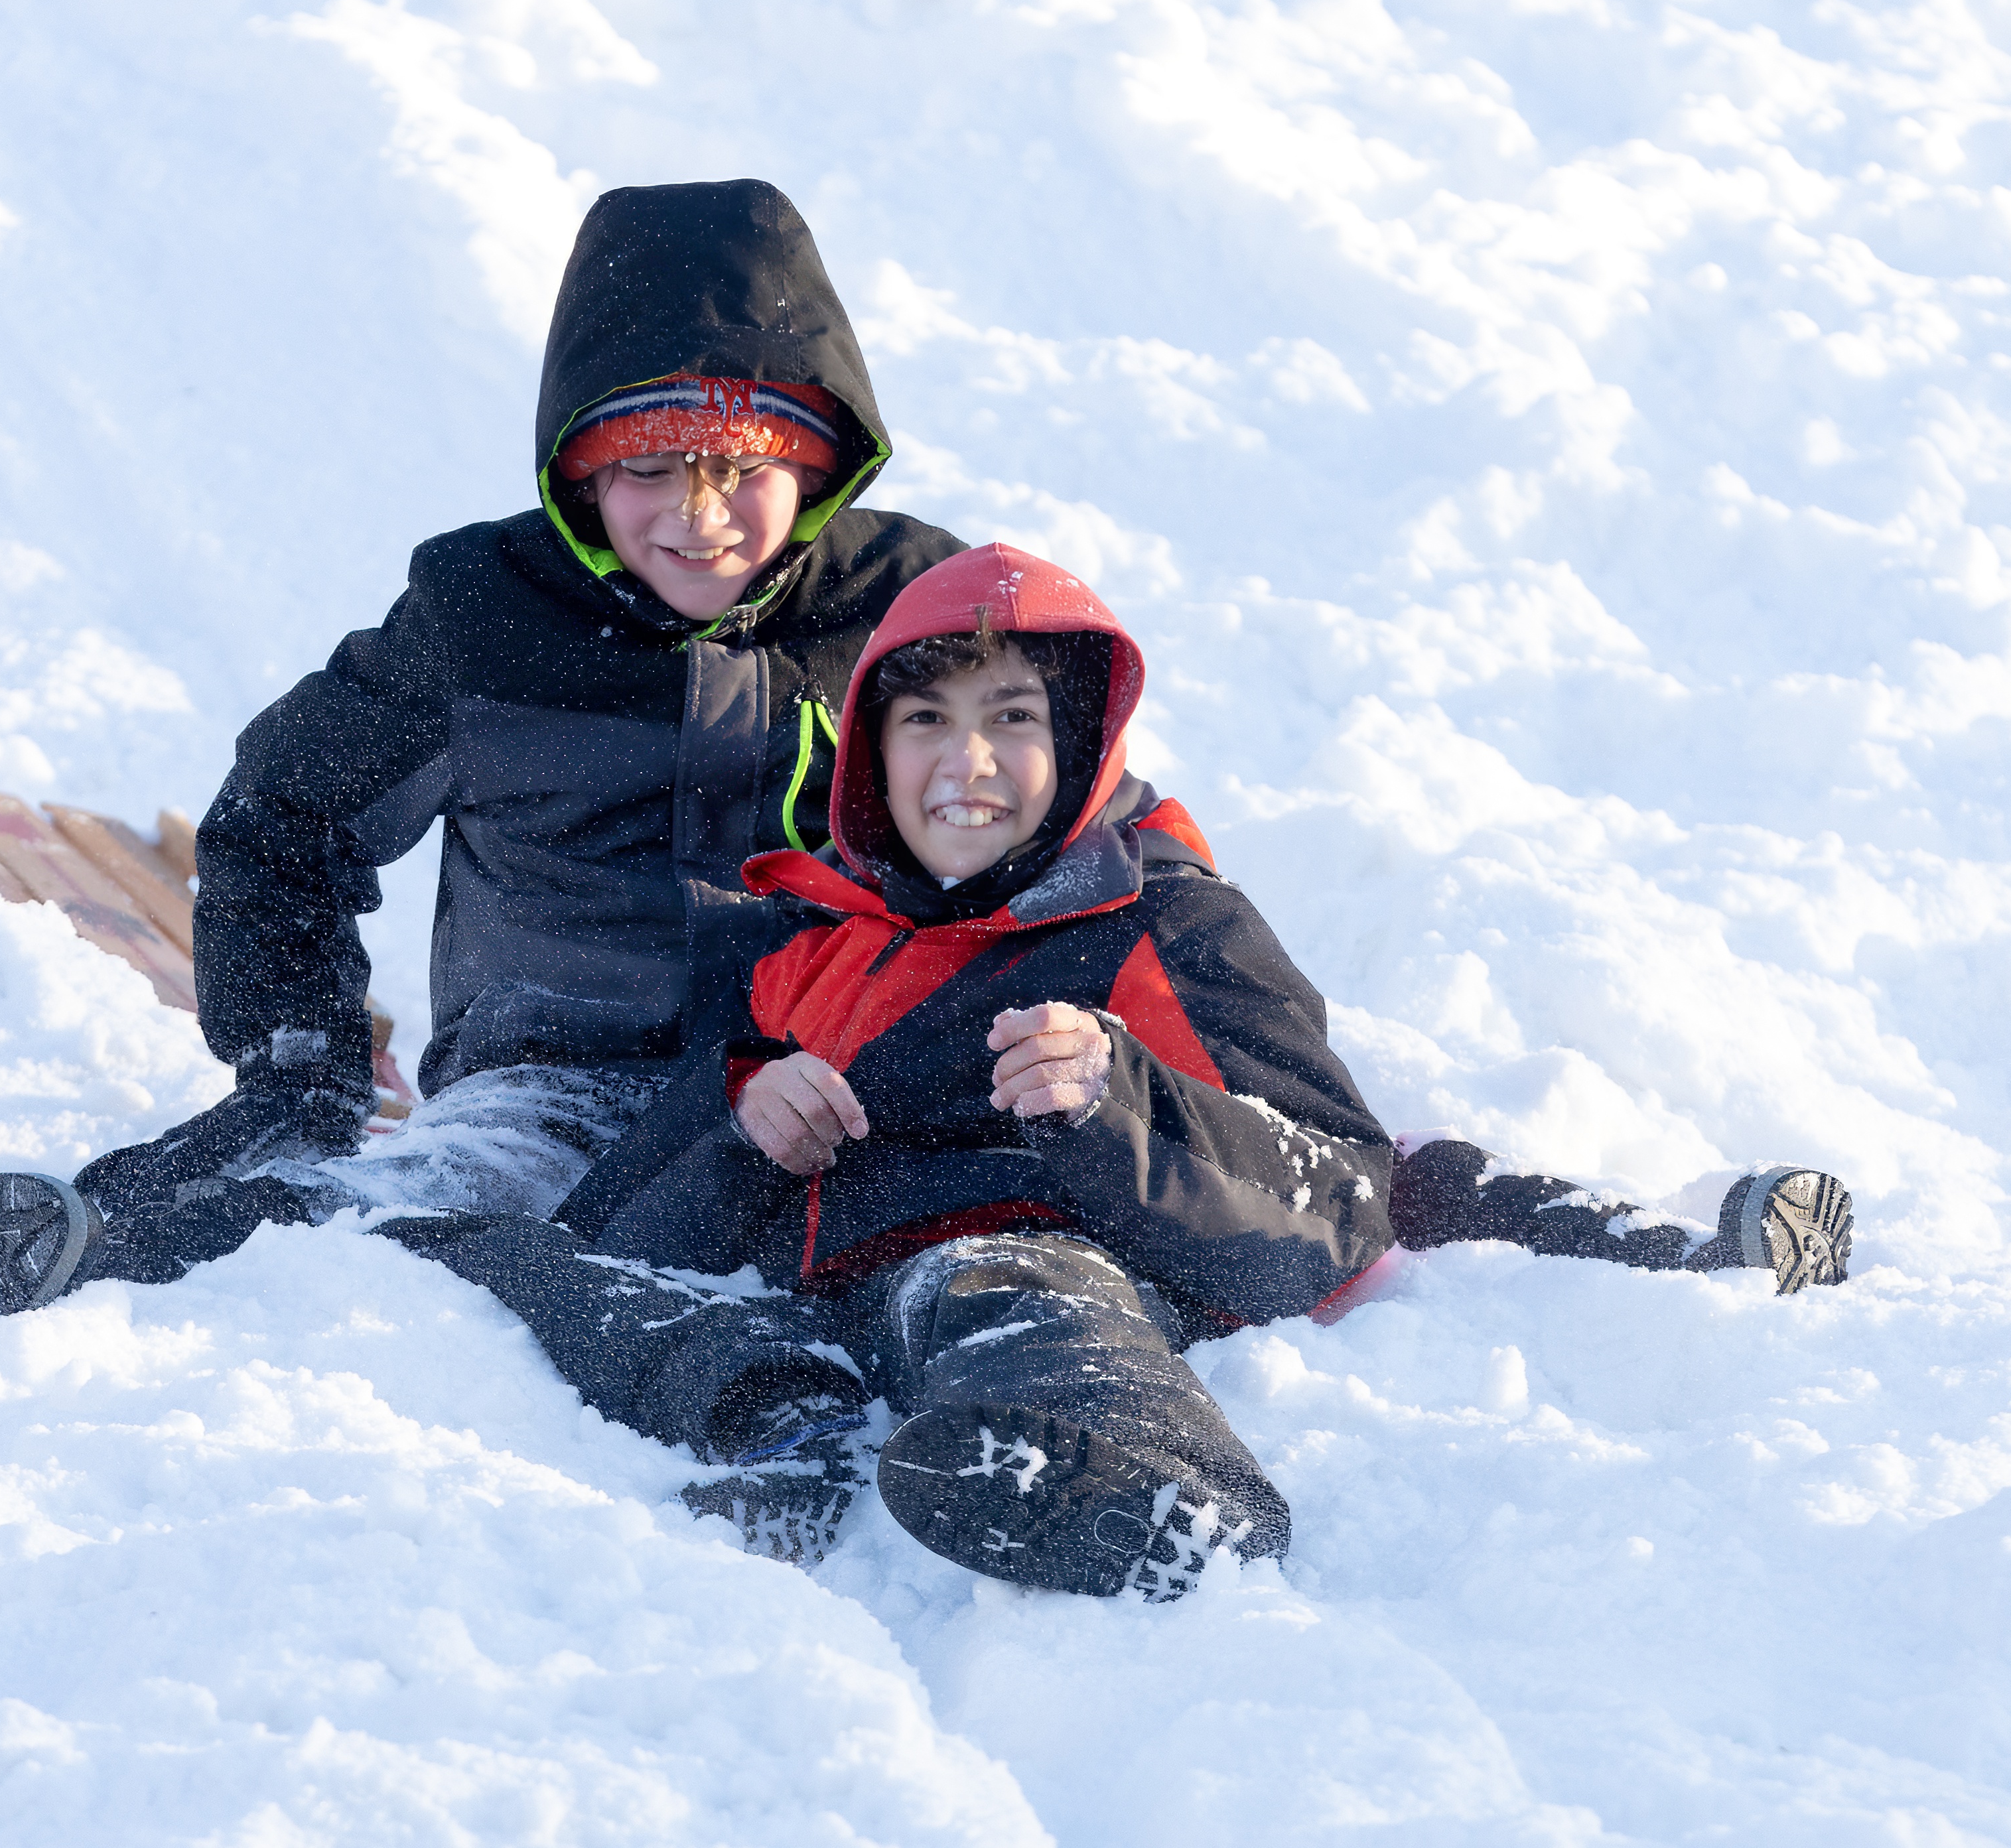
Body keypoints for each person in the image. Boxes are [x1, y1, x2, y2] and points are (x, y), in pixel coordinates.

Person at [354, 545, 1854, 1599]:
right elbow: (634, 1222)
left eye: (1013, 721)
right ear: (869, 749)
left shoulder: (1155, 917)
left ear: (1079, 748)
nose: (966, 764)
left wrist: (1119, 1099)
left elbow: (1338, 1195)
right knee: (532, 1264)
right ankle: (786, 1426)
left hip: (1038, 1260)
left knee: (1000, 1284)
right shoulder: (797, 937)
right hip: (809, 1313)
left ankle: (1139, 1478)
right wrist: (747, 1128)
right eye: (924, 720)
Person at [0, 178, 965, 1313]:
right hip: (560, 1088)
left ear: (815, 463)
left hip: (835, 1080)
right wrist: (298, 1059)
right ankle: (111, 1255)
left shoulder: (908, 608)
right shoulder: (490, 618)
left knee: (940, 1265)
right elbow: (289, 807)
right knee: (410, 1224)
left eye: (742, 471)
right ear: (582, 468)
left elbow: (1061, 826)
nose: (695, 519)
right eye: (647, 469)